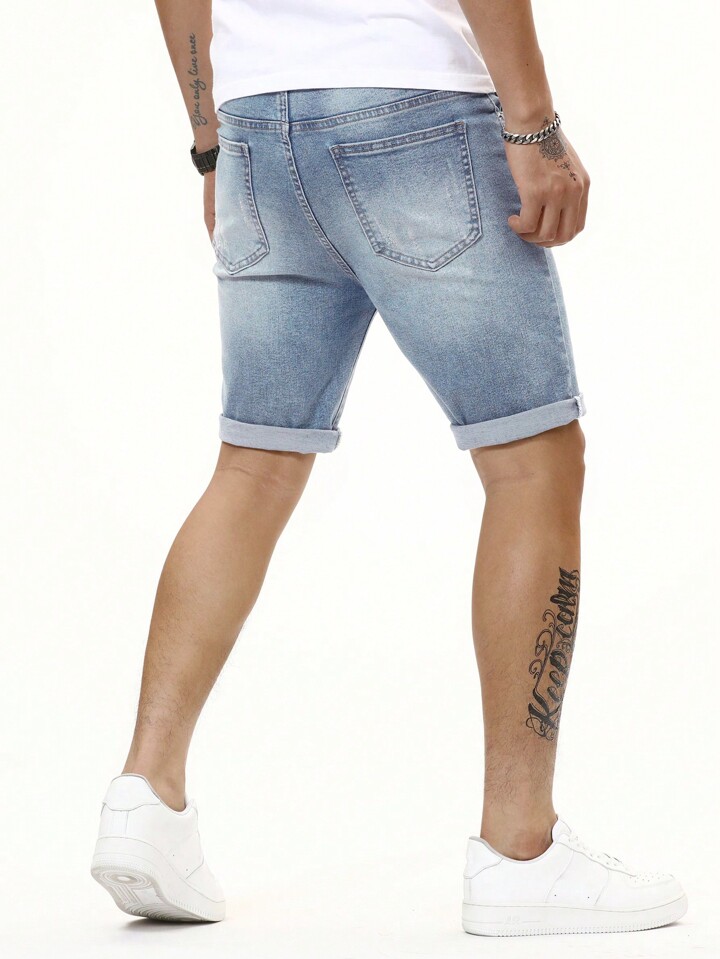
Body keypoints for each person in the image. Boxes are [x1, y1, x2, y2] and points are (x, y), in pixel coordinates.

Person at [90, 0, 687, 937]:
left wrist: (211, 147)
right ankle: (520, 848)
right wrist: (533, 125)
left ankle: (144, 795)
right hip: (412, 111)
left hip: (257, 128)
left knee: (254, 463)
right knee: (531, 460)